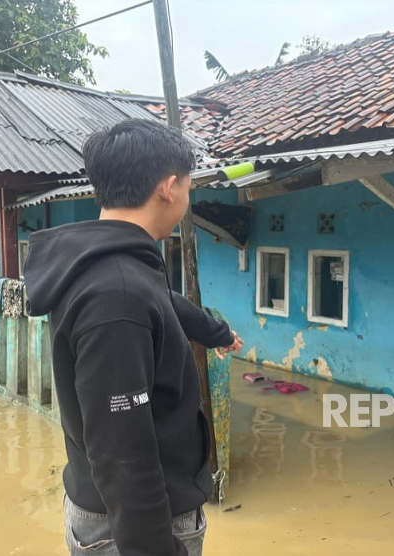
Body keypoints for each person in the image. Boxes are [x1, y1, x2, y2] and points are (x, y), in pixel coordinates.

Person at [24, 119, 244, 556]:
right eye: (188, 185)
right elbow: (122, 450)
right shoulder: (116, 295)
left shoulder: (111, 263)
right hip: (133, 526)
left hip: (118, 513)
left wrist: (216, 332)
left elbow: (163, 301)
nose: (187, 195)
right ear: (169, 187)